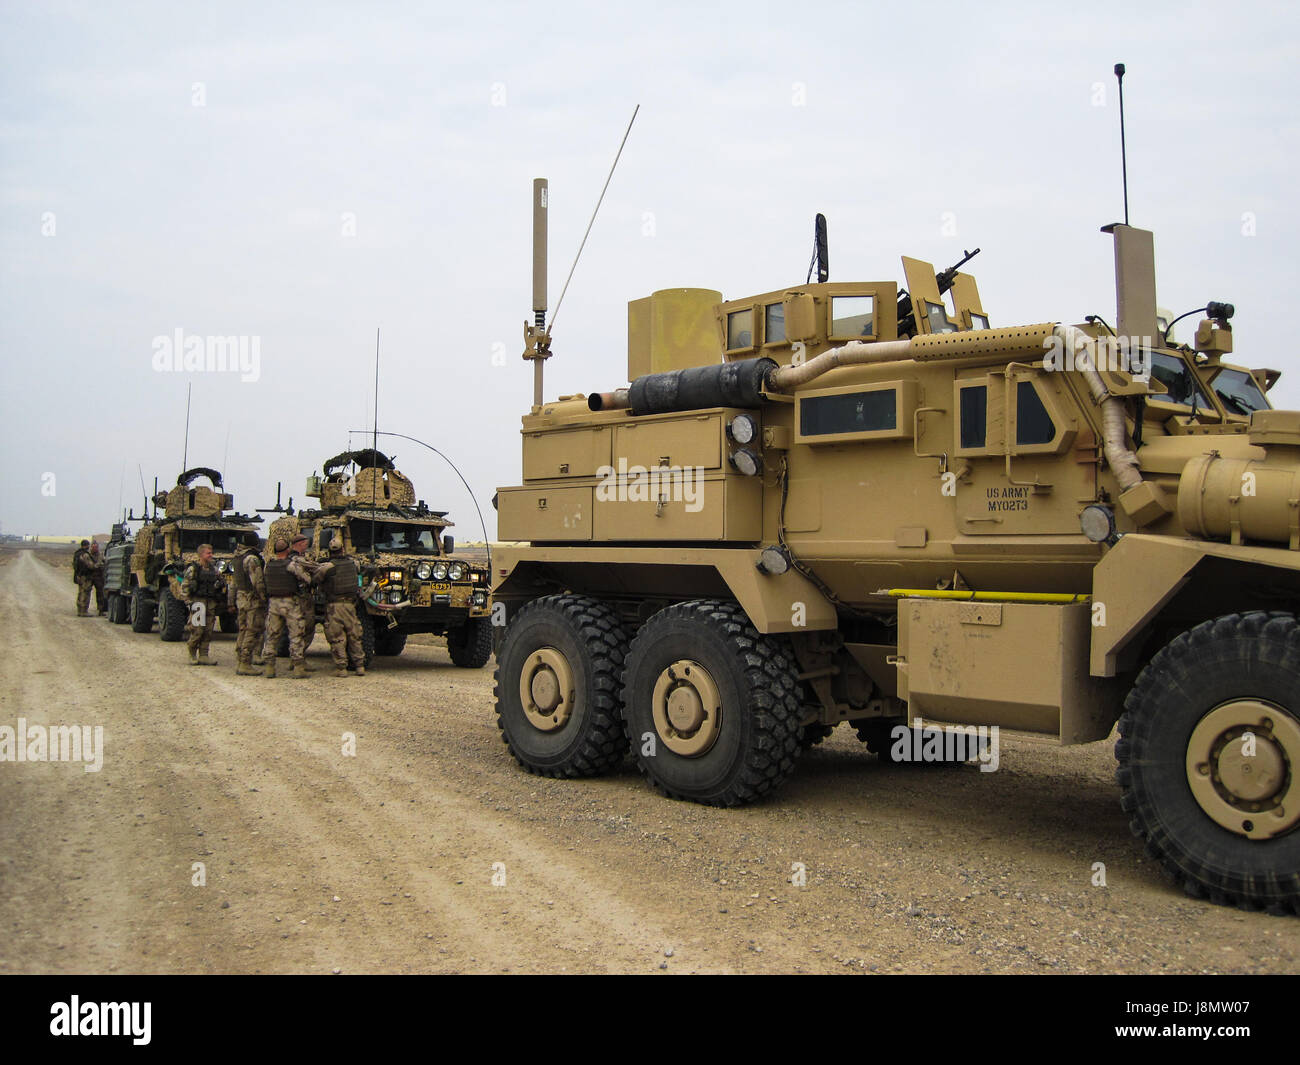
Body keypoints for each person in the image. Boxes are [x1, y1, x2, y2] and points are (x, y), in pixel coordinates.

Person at [261, 535, 317, 679]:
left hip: (273, 603)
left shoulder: (269, 564)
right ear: (288, 549)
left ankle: (269, 668)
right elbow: (308, 579)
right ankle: (298, 667)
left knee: (272, 635)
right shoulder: (292, 565)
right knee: (296, 634)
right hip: (290, 603)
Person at [314, 540, 366, 677]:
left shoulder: (327, 567)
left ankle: (341, 668)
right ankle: (360, 666)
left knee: (337, 638)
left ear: (330, 551)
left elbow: (315, 580)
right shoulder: (354, 564)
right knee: (355, 636)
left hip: (334, 606)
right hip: (350, 606)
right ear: (343, 549)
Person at [181, 543, 224, 665]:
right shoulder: (193, 569)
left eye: (211, 552)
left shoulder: (214, 570)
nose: (211, 555)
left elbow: (221, 584)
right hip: (197, 602)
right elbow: (185, 586)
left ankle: (204, 654)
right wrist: (188, 602)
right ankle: (192, 653)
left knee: (208, 630)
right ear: (201, 555)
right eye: (208, 553)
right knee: (197, 630)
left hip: (210, 603)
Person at [232, 530, 267, 676]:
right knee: (252, 631)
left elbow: (233, 583)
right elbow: (257, 581)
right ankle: (245, 663)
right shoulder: (251, 559)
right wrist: (264, 597)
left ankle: (240, 658)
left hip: (241, 598)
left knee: (243, 629)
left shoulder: (238, 557)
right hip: (252, 599)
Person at [71, 539, 100, 616]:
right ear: (87, 545)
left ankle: (79, 610)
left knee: (80, 593)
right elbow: (91, 566)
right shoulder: (85, 555)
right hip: (86, 577)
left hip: (79, 576)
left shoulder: (77, 554)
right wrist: (98, 564)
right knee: (86, 593)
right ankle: (84, 611)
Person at [88, 541, 108, 616]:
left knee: (100, 594)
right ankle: (84, 609)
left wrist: (102, 565)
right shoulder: (88, 555)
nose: (95, 548)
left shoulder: (100, 555)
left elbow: (105, 562)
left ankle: (101, 610)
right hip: (90, 576)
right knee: (86, 593)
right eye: (93, 547)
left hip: (99, 577)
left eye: (96, 547)